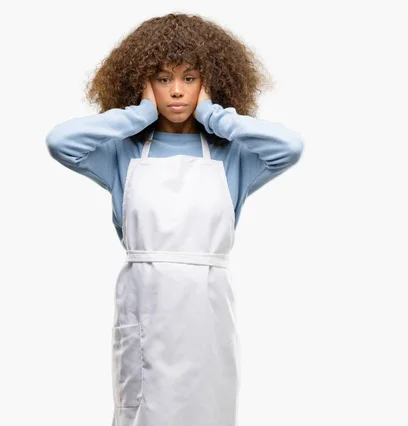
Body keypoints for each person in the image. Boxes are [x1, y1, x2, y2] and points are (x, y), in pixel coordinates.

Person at [45, 12, 304, 426]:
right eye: (163, 79)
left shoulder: (231, 157)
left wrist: (215, 116)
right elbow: (61, 143)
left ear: (209, 83)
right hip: (145, 307)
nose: (177, 92)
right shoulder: (123, 153)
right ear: (143, 84)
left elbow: (289, 147)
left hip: (207, 311)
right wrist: (138, 115)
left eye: (190, 78)